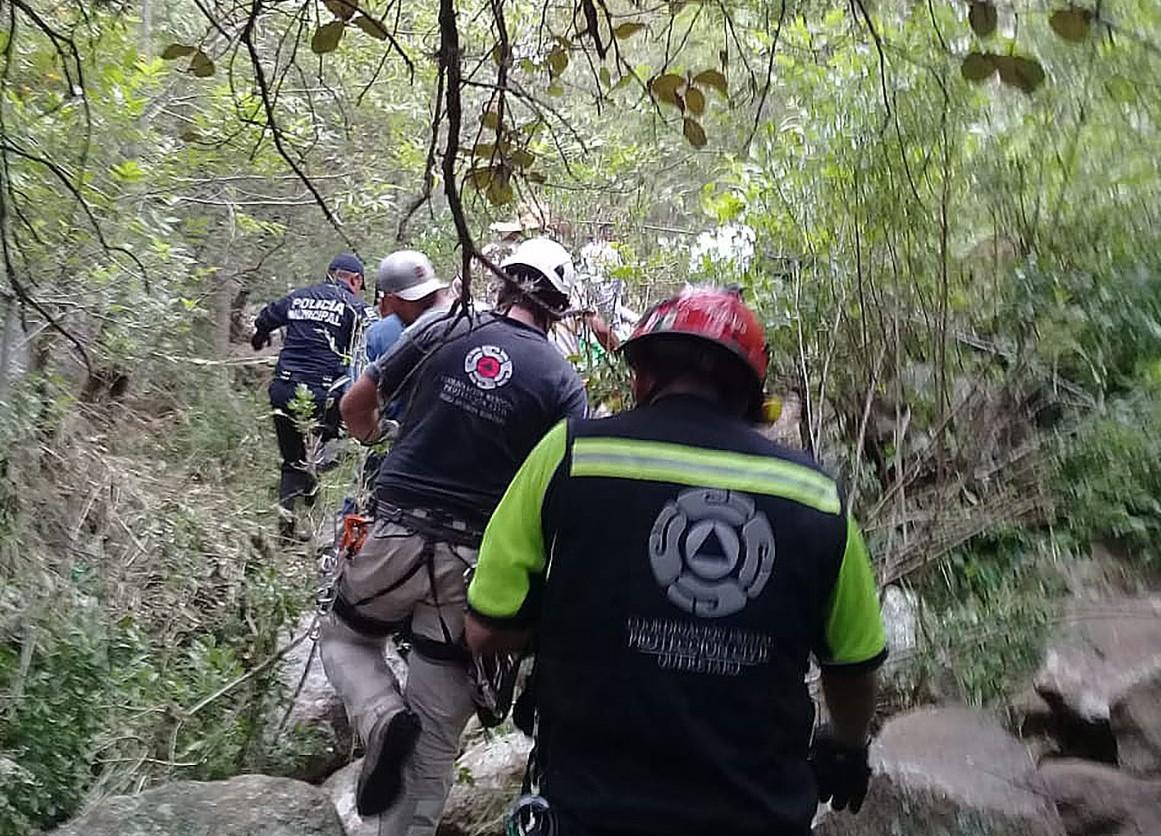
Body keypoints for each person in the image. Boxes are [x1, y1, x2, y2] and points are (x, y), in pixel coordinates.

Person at [465, 286, 886, 836]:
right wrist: (846, 745)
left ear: (642, 373)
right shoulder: (814, 493)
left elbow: (486, 628)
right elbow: (852, 665)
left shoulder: (571, 454)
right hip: (757, 813)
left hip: (588, 809)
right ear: (748, 391)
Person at [320, 237, 588, 834]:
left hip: (391, 535)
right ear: (559, 306)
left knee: (343, 640)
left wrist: (377, 436)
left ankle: (381, 713)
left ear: (502, 283)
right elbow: (570, 493)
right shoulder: (563, 382)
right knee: (436, 739)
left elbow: (354, 406)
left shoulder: (442, 329)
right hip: (473, 566)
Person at [251, 252, 369, 540]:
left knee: (293, 460)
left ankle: (288, 526)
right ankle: (306, 504)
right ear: (355, 280)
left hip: (284, 389)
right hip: (325, 395)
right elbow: (373, 342)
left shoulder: (299, 296)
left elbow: (266, 316)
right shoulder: (356, 308)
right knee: (333, 448)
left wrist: (259, 337)